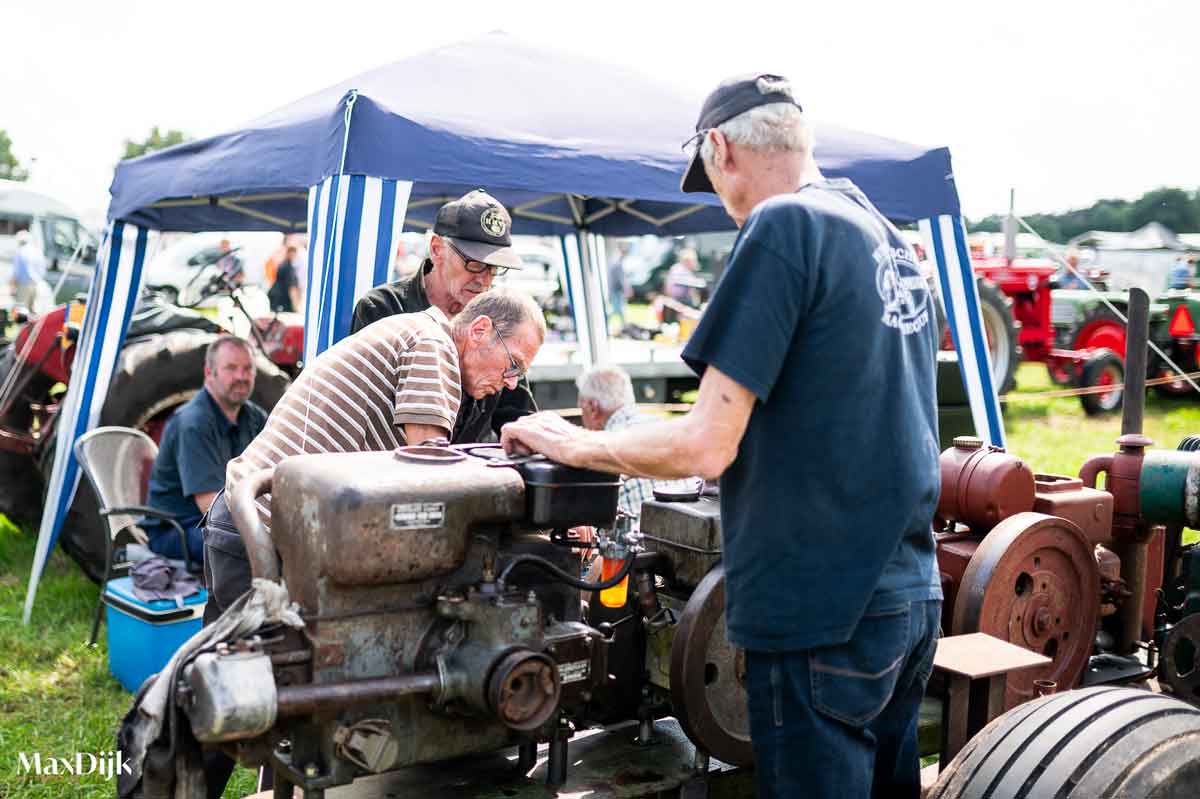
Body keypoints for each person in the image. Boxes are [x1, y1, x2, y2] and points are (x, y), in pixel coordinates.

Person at [502, 73, 942, 799]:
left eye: (709, 175)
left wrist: (575, 443)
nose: (718, 195)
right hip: (907, 597)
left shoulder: (783, 226)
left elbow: (708, 444)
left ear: (719, 147)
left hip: (819, 611)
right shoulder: (884, 237)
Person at [199, 288, 545, 798]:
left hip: (281, 532)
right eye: (512, 364)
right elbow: (433, 481)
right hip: (263, 530)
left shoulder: (422, 336)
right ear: (477, 331)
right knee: (235, 698)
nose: (509, 384)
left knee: (287, 698)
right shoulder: (432, 347)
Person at [351, 190, 537, 442]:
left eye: (494, 267)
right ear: (437, 249)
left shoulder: (496, 317)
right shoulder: (382, 309)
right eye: (474, 263)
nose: (484, 278)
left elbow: (518, 415)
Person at [140, 335, 266, 566]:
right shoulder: (193, 423)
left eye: (248, 369)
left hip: (222, 520)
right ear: (209, 373)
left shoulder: (254, 417)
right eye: (231, 368)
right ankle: (254, 600)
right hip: (179, 530)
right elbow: (210, 507)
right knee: (254, 543)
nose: (241, 376)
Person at [575, 365, 694, 519]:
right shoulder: (666, 427)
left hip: (640, 538)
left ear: (592, 408)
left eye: (581, 409)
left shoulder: (601, 448)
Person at [10, 229, 47, 308]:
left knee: (21, 311)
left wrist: (12, 287)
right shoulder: (38, 251)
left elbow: (16, 272)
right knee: (33, 312)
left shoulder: (19, 252)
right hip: (36, 284)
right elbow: (43, 270)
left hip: (23, 285)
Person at [267, 245, 301, 312]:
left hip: (278, 296)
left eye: (295, 254)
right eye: (292, 254)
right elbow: (290, 286)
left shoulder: (287, 265)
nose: (294, 256)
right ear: (288, 253)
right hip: (280, 298)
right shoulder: (286, 266)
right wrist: (294, 303)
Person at [607, 242, 631, 329]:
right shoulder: (617, 262)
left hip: (616, 290)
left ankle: (624, 325)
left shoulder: (616, 261)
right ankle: (623, 325)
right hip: (615, 290)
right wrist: (627, 289)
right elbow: (621, 278)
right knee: (617, 309)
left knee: (619, 309)